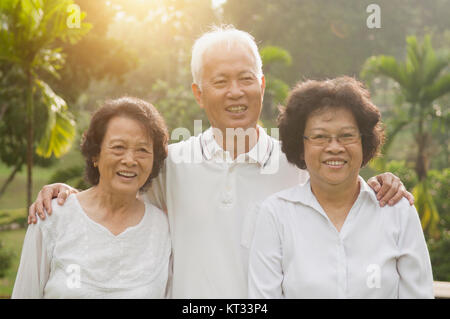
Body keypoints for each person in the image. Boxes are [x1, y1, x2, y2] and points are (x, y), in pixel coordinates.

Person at [27, 26, 414, 298]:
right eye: (220, 81)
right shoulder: (171, 165)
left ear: (261, 85)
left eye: (246, 78)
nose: (236, 92)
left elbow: (345, 192)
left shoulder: (300, 163)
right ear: (198, 92)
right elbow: (117, 191)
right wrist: (65, 194)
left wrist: (383, 182)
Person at [248, 77, 433, 298]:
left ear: (364, 143)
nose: (334, 147)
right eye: (320, 137)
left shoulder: (396, 210)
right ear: (300, 146)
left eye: (346, 136)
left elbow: (418, 293)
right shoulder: (276, 214)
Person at [13, 97, 171, 298]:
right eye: (118, 147)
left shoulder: (163, 229)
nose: (130, 160)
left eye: (142, 150)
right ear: (95, 154)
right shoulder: (51, 217)